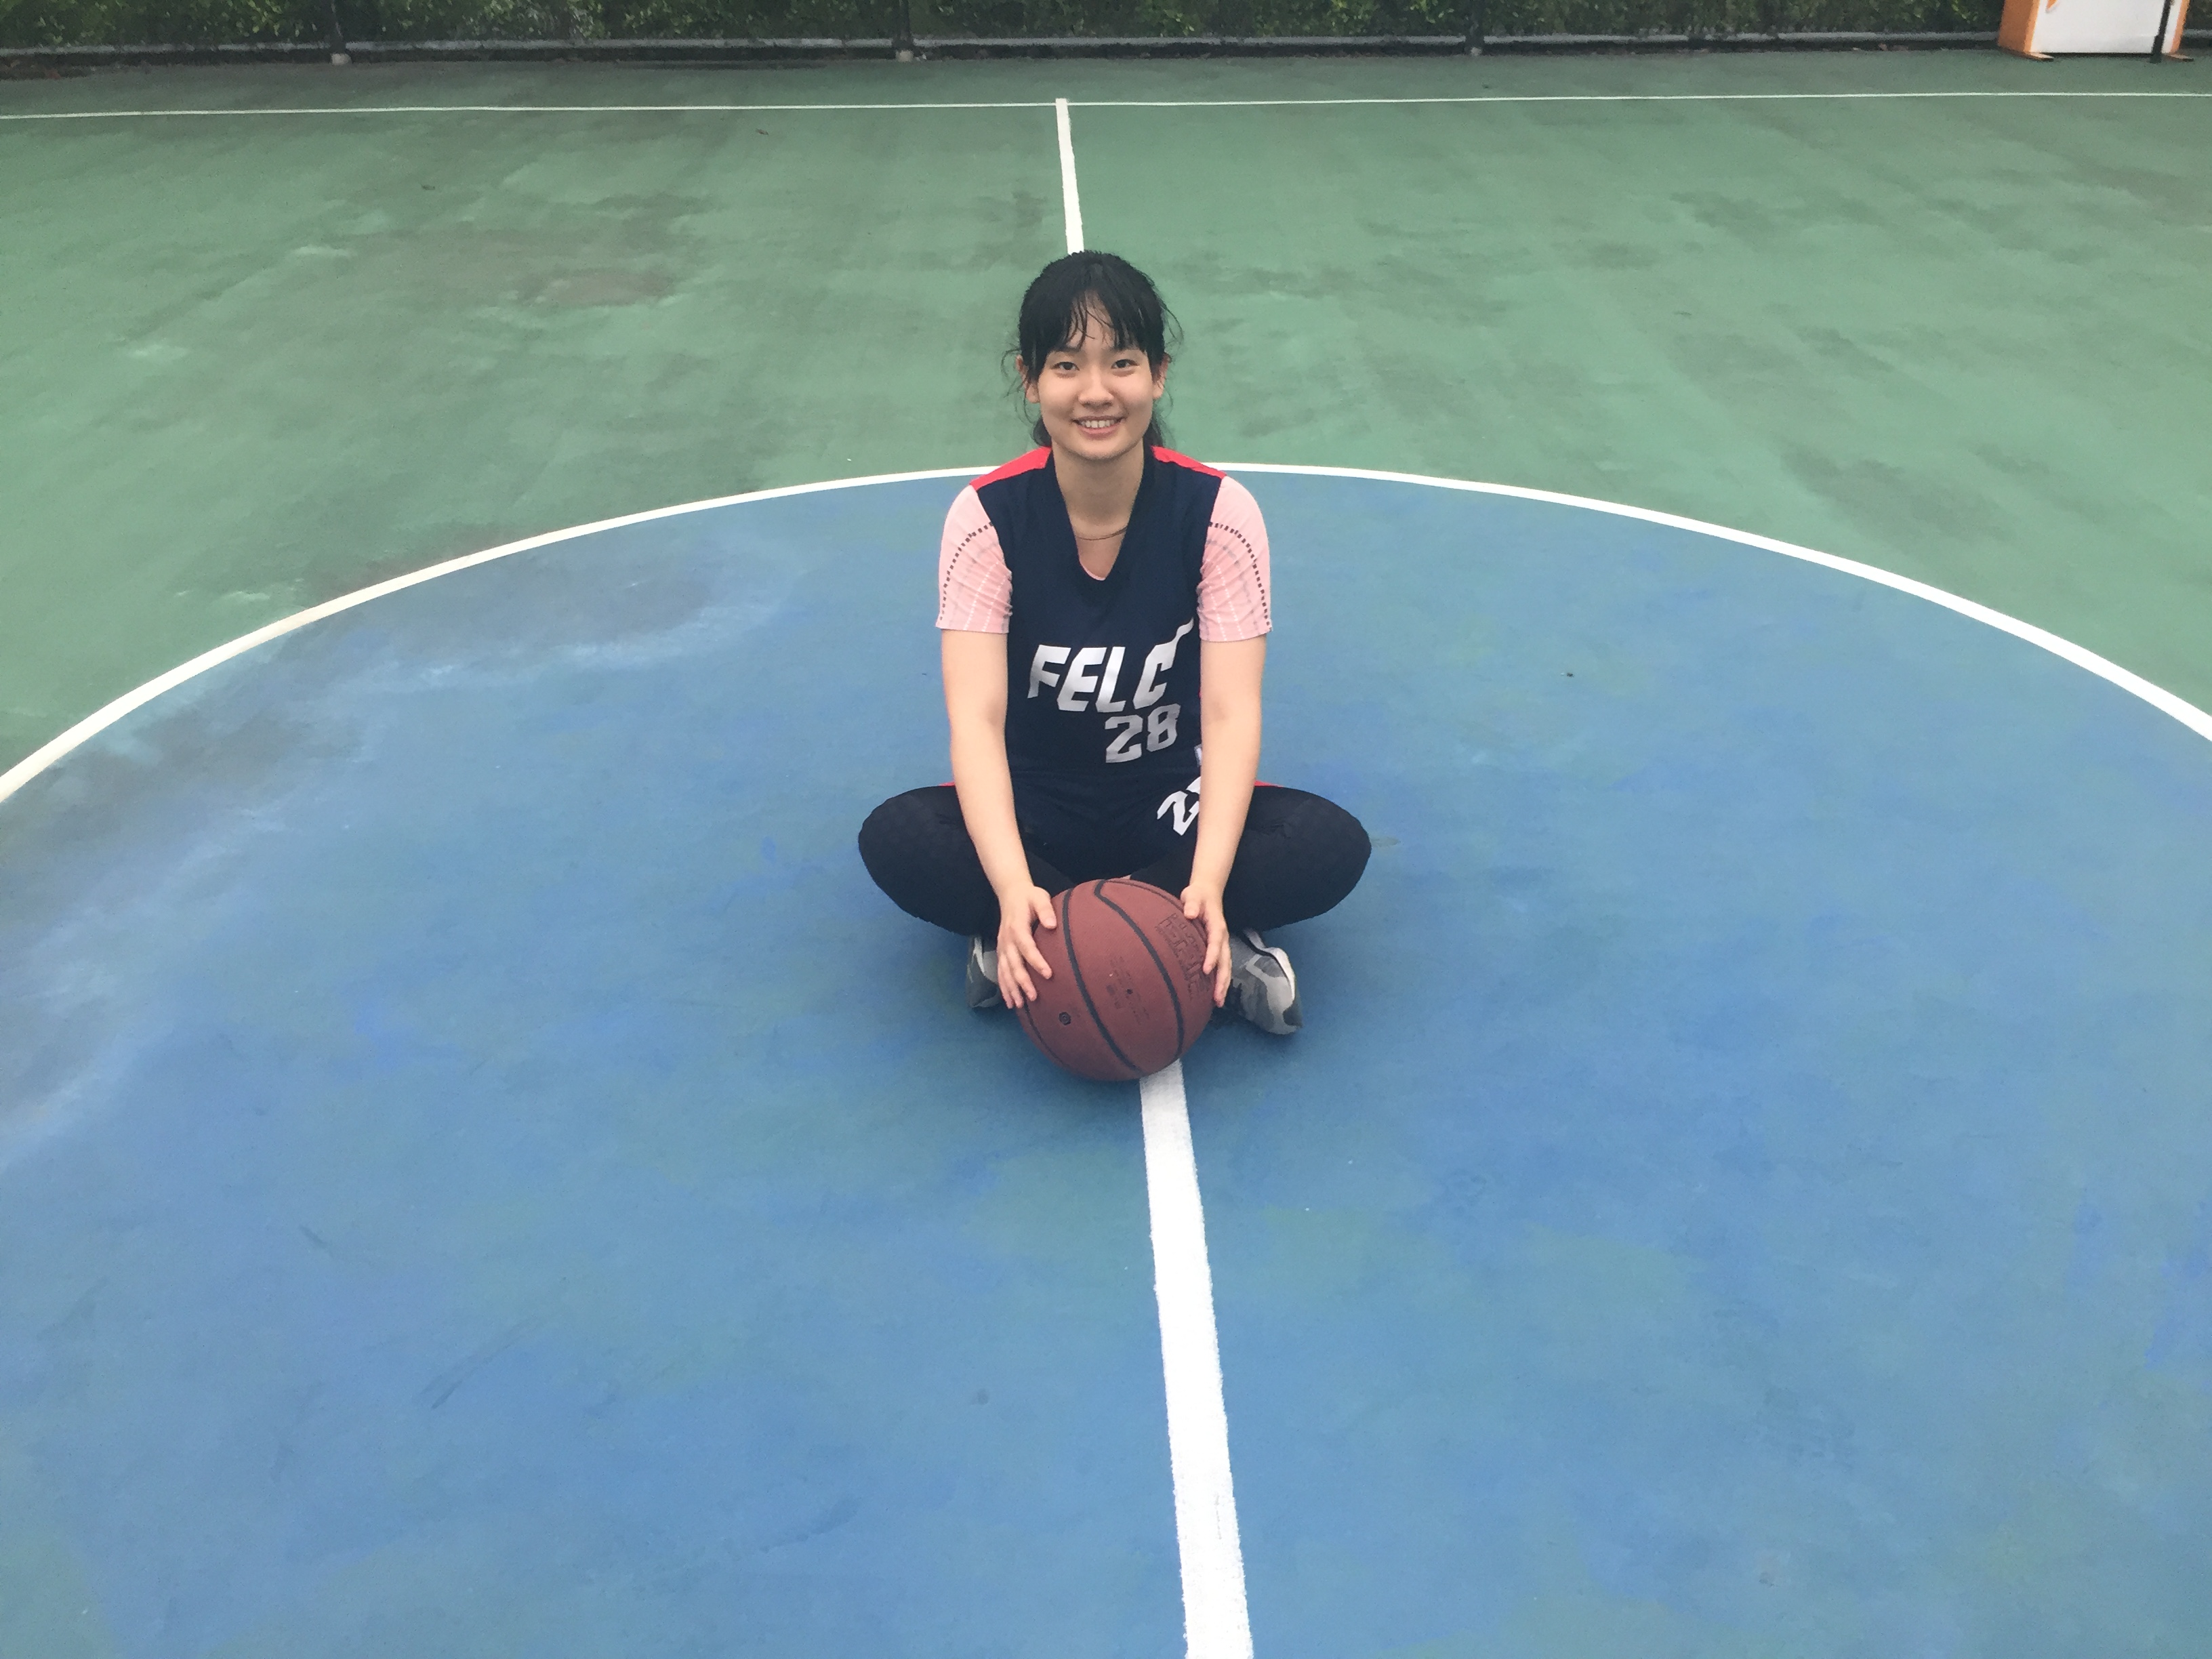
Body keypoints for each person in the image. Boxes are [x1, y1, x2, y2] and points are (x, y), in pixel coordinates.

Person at [858, 252, 1369, 1035]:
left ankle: (1064, 936)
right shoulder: (986, 518)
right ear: (1031, 379)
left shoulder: (1220, 514)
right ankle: (1137, 932)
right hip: (1037, 809)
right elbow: (977, 722)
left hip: (1166, 805)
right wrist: (1009, 883)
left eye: (1122, 362)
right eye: (1067, 365)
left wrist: (1208, 876)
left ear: (1158, 375)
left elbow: (1231, 714)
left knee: (1329, 846)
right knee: (898, 838)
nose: (1096, 392)